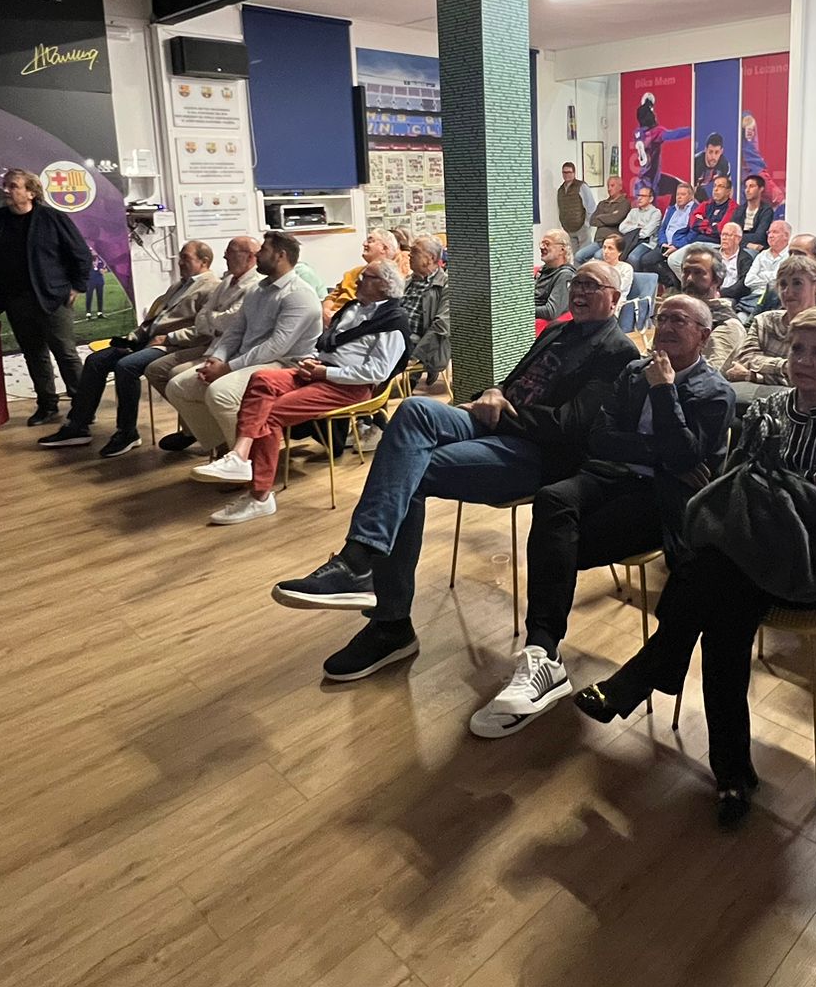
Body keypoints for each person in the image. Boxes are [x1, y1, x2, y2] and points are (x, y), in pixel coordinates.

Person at [573, 308, 816, 826]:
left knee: (714, 580)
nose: (803, 361)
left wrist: (780, 487)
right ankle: (731, 773)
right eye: (797, 349)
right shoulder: (770, 406)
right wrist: (806, 485)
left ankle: (652, 674)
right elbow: (737, 478)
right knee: (725, 610)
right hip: (760, 551)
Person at [272, 262, 637, 679]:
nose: (580, 291)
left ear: (614, 297)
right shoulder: (558, 330)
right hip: (497, 421)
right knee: (414, 409)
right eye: (577, 283)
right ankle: (362, 562)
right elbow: (513, 382)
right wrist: (492, 392)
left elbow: (571, 427)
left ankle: (386, 616)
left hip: (535, 453)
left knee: (409, 471)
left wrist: (500, 414)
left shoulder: (617, 352)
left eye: (592, 285)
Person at [469, 295, 735, 738]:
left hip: (661, 498)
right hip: (609, 475)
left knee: (560, 545)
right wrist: (661, 453)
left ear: (703, 336)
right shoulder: (633, 371)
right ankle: (542, 653)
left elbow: (687, 456)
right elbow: (601, 438)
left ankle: (544, 654)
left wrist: (664, 391)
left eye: (680, 320)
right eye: (663, 317)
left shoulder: (715, 392)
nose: (667, 326)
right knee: (553, 499)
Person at [197, 259, 411, 525]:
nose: (358, 280)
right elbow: (327, 345)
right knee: (261, 379)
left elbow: (376, 373)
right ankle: (240, 455)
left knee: (270, 414)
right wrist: (312, 360)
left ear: (384, 285)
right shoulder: (353, 308)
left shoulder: (393, 321)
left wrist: (325, 373)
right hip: (321, 371)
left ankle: (260, 496)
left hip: (348, 387)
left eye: (366, 277)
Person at [38, 239, 219, 457]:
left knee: (126, 366)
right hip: (149, 340)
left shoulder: (212, 288)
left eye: (185, 258)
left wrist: (168, 337)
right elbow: (154, 318)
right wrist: (133, 337)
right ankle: (78, 425)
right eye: (180, 257)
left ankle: (127, 432)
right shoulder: (178, 285)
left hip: (173, 345)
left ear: (204, 261)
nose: (179, 262)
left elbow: (204, 330)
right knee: (95, 361)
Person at [164, 232, 321, 459]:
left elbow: (275, 347)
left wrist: (228, 367)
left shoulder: (299, 295)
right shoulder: (258, 290)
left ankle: (248, 460)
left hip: (284, 365)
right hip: (249, 359)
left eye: (264, 250)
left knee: (220, 394)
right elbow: (235, 330)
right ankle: (224, 449)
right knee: (178, 387)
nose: (258, 255)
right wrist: (218, 358)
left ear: (280, 256)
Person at [0, 167, 93, 424]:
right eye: (5, 185)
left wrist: (77, 286)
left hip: (52, 298)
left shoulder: (52, 218)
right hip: (15, 300)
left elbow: (81, 254)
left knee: (66, 353)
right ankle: (47, 405)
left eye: (13, 186)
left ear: (31, 192)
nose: (6, 190)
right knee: (34, 354)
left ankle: (83, 407)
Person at [147, 235, 261, 443]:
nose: (225, 257)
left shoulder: (255, 284)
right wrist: (214, 319)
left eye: (231, 252)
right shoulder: (227, 281)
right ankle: (203, 433)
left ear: (250, 256)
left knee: (175, 377)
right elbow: (202, 318)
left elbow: (230, 322)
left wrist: (211, 319)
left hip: (232, 350)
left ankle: (213, 438)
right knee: (158, 370)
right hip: (214, 345)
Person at [723, 255, 816, 406]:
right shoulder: (764, 321)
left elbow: (813, 379)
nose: (788, 291)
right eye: (783, 284)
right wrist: (787, 367)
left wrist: (752, 375)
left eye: (797, 283)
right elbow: (744, 360)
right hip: (748, 400)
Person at [673, 244, 746, 369]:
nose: (689, 279)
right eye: (686, 272)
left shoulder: (727, 325)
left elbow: (706, 373)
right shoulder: (676, 314)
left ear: (717, 279)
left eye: (698, 272)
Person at [400, 233, 450, 390]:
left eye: (415, 251)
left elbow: (441, 326)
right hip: (396, 335)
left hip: (416, 341)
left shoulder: (446, 286)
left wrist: (416, 356)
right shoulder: (407, 281)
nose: (409, 255)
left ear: (430, 258)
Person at [754, 235, 816, 313]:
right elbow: (751, 322)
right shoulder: (773, 287)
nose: (793, 258)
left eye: (799, 254)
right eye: (790, 254)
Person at [324, 230, 399, 321]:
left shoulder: (390, 278)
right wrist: (326, 311)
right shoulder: (353, 272)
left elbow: (370, 308)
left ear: (384, 248)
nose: (364, 244)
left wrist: (338, 316)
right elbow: (331, 296)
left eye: (370, 241)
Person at [712, 221, 758, 313]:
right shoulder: (712, 254)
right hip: (710, 293)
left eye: (728, 235)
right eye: (723, 234)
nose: (724, 238)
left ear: (738, 239)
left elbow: (743, 284)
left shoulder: (745, 258)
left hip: (731, 298)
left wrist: (720, 294)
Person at [743, 218, 793, 302]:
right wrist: (772, 279)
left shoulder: (791, 256)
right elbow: (748, 281)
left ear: (786, 236)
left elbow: (782, 281)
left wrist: (761, 275)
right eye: (769, 232)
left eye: (775, 232)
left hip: (779, 299)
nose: (770, 235)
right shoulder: (761, 255)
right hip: (755, 297)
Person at [534, 229, 575, 324]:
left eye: (547, 244)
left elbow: (551, 312)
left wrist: (522, 310)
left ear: (562, 250)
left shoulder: (565, 275)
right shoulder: (542, 270)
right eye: (542, 243)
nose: (541, 247)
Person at [556, 162, 595, 250]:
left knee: (584, 254)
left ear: (574, 173)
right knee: (573, 255)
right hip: (568, 229)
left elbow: (591, 206)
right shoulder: (560, 190)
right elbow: (560, 208)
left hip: (582, 228)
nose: (567, 175)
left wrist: (587, 224)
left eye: (569, 172)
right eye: (564, 172)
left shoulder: (581, 186)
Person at [736, 173, 778, 250]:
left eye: (751, 186)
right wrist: (747, 244)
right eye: (746, 187)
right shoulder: (740, 209)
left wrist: (737, 237)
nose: (747, 190)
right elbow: (730, 232)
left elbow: (760, 236)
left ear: (761, 189)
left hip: (755, 249)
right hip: (741, 246)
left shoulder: (766, 210)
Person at [690, 174, 740, 238]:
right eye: (714, 186)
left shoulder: (733, 207)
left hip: (718, 241)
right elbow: (693, 223)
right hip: (700, 239)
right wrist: (710, 225)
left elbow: (722, 229)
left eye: (720, 186)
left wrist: (703, 226)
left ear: (728, 191)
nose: (716, 189)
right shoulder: (706, 204)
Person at [693, 131, 732, 202]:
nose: (713, 157)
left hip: (699, 188)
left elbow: (729, 189)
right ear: (705, 150)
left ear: (721, 151)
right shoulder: (695, 163)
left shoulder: (724, 164)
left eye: (717, 152)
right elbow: (689, 191)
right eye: (710, 152)